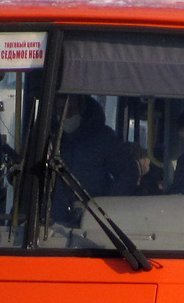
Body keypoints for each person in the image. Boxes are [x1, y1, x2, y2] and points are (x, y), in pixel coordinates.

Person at [51, 95, 138, 223]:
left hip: (94, 224)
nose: (66, 115)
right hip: (51, 225)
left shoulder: (103, 138)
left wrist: (105, 205)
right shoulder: (45, 140)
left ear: (83, 110)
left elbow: (127, 172)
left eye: (72, 109)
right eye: (61, 109)